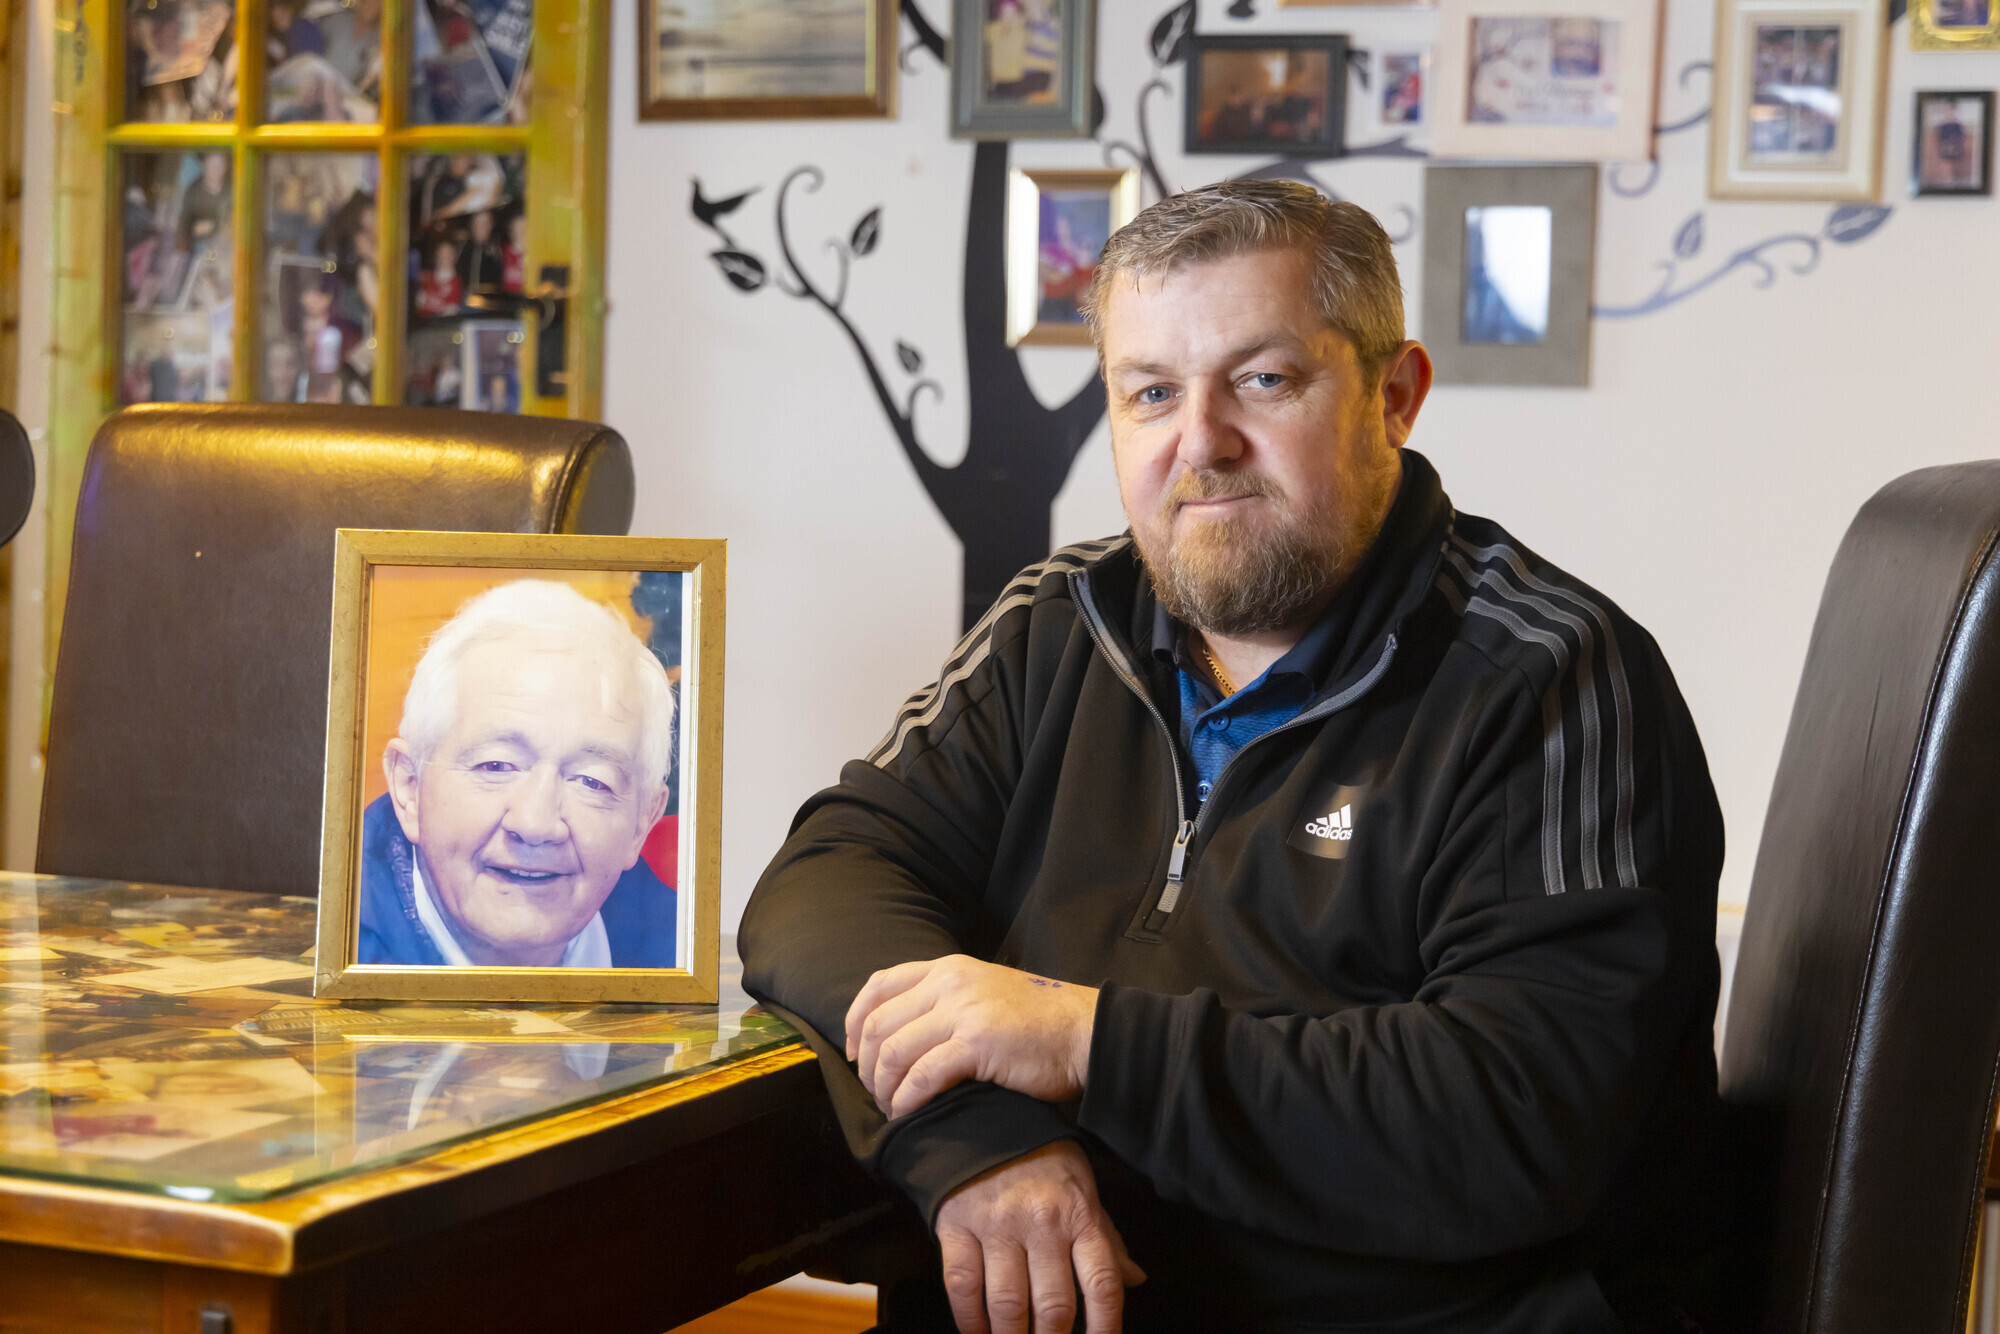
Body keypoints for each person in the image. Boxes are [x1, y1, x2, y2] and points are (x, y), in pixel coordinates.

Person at [740, 180, 1723, 1334]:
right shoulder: (1055, 621)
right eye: (1150, 392)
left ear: (1393, 396)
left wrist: (1081, 1040)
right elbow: (827, 879)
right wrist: (978, 1140)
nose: (1199, 442)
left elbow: (1514, 1118)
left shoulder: (1548, 676)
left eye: (1262, 379)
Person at [357, 579, 679, 969]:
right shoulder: (338, 952)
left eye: (591, 782)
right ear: (410, 787)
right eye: (496, 766)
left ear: (642, 823)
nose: (535, 825)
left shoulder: (680, 959)